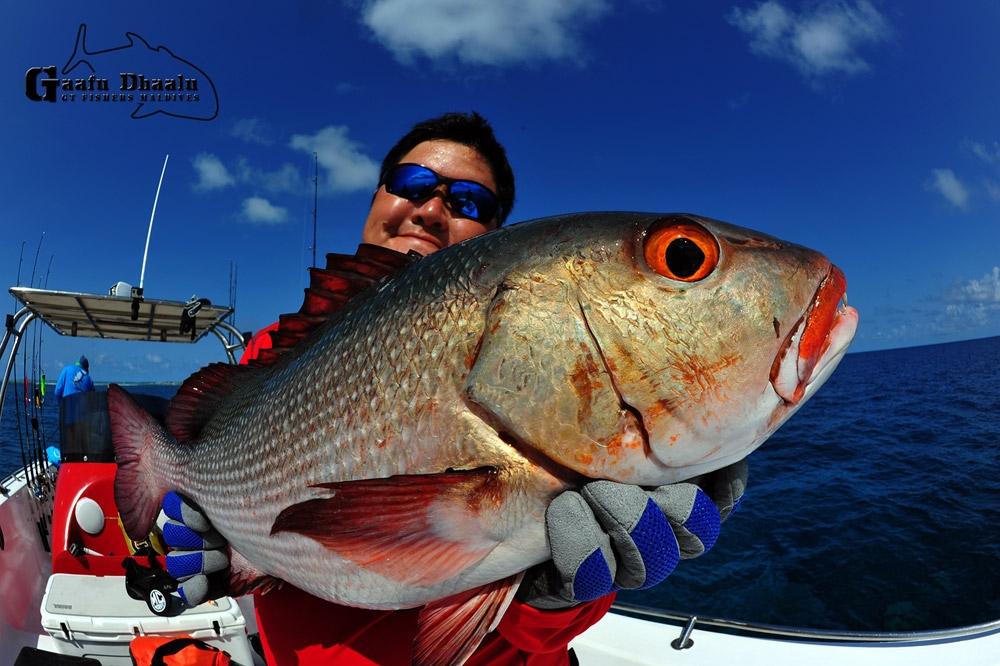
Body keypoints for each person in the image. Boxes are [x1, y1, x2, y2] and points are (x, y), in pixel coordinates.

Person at [159, 112, 747, 665]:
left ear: (494, 238)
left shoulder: (581, 413)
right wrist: (197, 542)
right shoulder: (264, 359)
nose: (431, 208)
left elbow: (539, 621)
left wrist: (552, 598)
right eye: (411, 184)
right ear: (375, 199)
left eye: (469, 201)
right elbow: (198, 502)